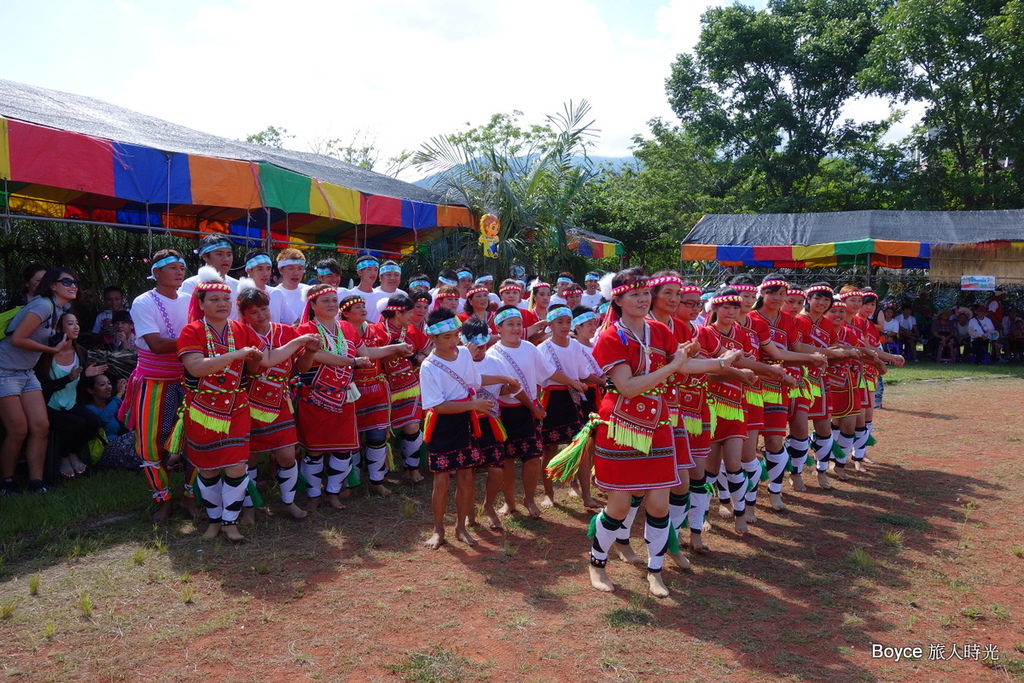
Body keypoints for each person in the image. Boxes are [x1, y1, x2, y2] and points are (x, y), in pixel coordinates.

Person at [584, 268, 734, 598]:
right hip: (621, 426)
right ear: (617, 299)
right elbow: (628, 386)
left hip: (658, 425)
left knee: (658, 505)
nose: (641, 299)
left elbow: (683, 365)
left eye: (644, 293)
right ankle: (597, 563)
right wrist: (673, 365)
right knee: (620, 506)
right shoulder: (611, 337)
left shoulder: (656, 330)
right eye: (633, 294)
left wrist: (722, 364)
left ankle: (655, 571)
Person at [294, 285, 412, 511]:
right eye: (325, 300)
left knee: (342, 449)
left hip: (343, 398)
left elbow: (366, 353)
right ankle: (313, 495)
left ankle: (333, 492)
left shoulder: (346, 328)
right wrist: (352, 363)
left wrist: (395, 348)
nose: (331, 304)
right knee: (315, 450)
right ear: (312, 305)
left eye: (333, 300)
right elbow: (310, 360)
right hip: (315, 398)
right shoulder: (306, 330)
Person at [176, 267, 264, 541]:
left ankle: (230, 522)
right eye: (214, 300)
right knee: (208, 468)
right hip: (202, 410)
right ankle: (214, 521)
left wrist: (298, 343)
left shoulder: (241, 329)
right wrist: (237, 354)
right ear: (200, 304)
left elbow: (264, 361)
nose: (222, 304)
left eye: (225, 300)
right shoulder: (191, 331)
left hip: (236, 408)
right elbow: (196, 368)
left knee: (237, 465)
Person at [236, 280, 320, 520]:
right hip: (249, 403)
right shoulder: (240, 334)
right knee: (249, 457)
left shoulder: (284, 330)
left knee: (287, 455)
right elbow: (257, 367)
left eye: (264, 309)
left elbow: (300, 368)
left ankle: (288, 502)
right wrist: (297, 343)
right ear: (243, 315)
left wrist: (311, 352)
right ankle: (249, 508)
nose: (260, 315)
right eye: (253, 312)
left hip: (280, 401)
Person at [122, 250, 192, 521]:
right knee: (150, 445)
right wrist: (196, 338)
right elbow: (156, 344)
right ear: (156, 273)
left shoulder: (189, 301)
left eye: (181, 267)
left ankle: (190, 496)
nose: (179, 272)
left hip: (188, 378)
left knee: (196, 438)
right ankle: (163, 499)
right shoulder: (144, 301)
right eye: (172, 267)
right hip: (154, 381)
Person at [419, 308, 494, 549]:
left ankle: (461, 526)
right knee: (441, 479)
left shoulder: (463, 354)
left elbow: (474, 383)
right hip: (443, 425)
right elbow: (437, 406)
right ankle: (438, 529)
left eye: (455, 335)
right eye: (446, 337)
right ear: (432, 338)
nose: (453, 341)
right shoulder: (428, 366)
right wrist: (474, 404)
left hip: (465, 422)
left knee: (466, 476)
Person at [1, 268, 76, 494]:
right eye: (66, 281)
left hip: (26, 372)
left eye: (75, 282)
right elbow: (17, 338)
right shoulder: (43, 305)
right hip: (4, 371)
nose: (73, 285)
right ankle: (6, 482)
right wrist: (50, 349)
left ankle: (36, 482)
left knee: (41, 426)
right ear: (52, 285)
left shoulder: (58, 309)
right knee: (17, 429)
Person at [486, 305, 555, 518]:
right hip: (505, 412)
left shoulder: (529, 348)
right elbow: (507, 389)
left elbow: (547, 373)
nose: (516, 328)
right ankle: (509, 502)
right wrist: (532, 406)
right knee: (507, 460)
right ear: (498, 327)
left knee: (533, 458)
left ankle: (529, 498)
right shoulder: (492, 354)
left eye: (518, 324)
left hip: (528, 412)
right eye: (510, 324)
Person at [460, 317, 520, 530]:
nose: (479, 351)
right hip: (465, 422)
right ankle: (468, 512)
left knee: (496, 469)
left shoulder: (495, 360)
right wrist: (502, 379)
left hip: (491, 421)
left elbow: (501, 391)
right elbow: (471, 380)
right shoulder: (457, 359)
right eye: (475, 347)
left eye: (483, 346)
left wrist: (508, 389)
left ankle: (488, 506)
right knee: (469, 472)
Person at [34, 312, 107, 478]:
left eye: (77, 323)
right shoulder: (46, 354)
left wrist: (86, 376)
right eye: (70, 324)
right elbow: (42, 387)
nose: (76, 327)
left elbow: (79, 389)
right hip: (48, 406)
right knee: (76, 424)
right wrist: (68, 378)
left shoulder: (81, 352)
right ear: (59, 328)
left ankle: (72, 452)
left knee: (94, 421)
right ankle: (63, 456)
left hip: (71, 404)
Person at [536, 306, 594, 509]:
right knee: (549, 448)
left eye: (567, 322)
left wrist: (600, 380)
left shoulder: (575, 346)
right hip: (552, 399)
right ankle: (548, 493)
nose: (564, 326)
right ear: (549, 324)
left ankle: (587, 494)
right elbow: (548, 374)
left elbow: (583, 373)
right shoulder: (542, 348)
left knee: (580, 445)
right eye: (559, 322)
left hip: (572, 399)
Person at [341, 294, 395, 495]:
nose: (364, 309)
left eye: (364, 306)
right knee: (352, 441)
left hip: (376, 390)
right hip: (351, 393)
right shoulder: (339, 333)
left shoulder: (375, 330)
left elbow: (386, 353)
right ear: (345, 314)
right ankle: (351, 482)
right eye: (357, 307)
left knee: (378, 436)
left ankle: (376, 480)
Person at [374, 295, 431, 483]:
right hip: (386, 388)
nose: (413, 314)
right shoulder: (377, 331)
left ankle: (411, 469)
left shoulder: (412, 330)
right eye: (409, 311)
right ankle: (380, 475)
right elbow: (374, 359)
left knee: (413, 427)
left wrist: (417, 358)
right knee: (383, 433)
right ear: (398, 312)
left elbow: (430, 348)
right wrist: (396, 351)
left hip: (410, 385)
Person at [81, 373, 140, 471]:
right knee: (136, 434)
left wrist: (129, 393)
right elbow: (102, 420)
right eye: (102, 385)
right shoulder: (88, 408)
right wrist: (119, 394)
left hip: (120, 448)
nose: (108, 387)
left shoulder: (112, 406)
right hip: (105, 451)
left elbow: (128, 420)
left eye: (109, 383)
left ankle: (164, 461)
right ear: (91, 390)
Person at [179, 235, 241, 319]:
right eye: (219, 254)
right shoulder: (190, 284)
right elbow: (185, 317)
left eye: (229, 254)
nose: (226, 259)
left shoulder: (238, 286)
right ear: (205, 256)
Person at [242, 250, 286, 325]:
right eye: (260, 269)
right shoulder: (239, 294)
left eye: (268, 269)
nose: (265, 273)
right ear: (249, 271)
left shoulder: (276, 293)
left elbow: (293, 321)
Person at [275, 249, 311, 325]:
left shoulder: (310, 291)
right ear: (281, 270)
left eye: (300, 268)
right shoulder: (274, 294)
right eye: (290, 268)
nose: (296, 273)